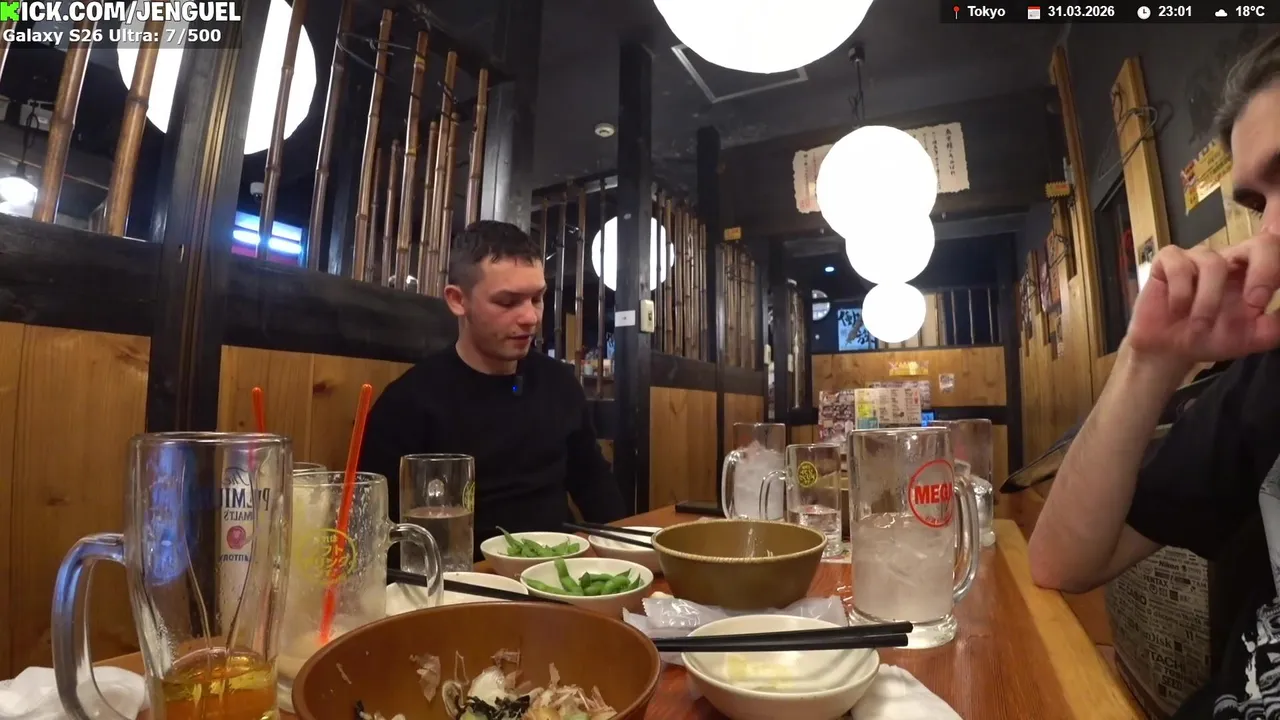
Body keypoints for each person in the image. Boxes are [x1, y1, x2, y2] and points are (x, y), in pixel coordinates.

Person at [1029, 33, 1280, 719]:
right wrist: (1150, 360)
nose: (1270, 232)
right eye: (1259, 204)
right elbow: (1060, 564)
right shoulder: (1264, 385)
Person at [360, 220, 626, 559]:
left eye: (537, 298)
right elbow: (374, 528)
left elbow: (593, 482)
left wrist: (624, 552)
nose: (530, 317)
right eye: (508, 302)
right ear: (458, 300)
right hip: (463, 577)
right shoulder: (408, 402)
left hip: (560, 568)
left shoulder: (559, 383)